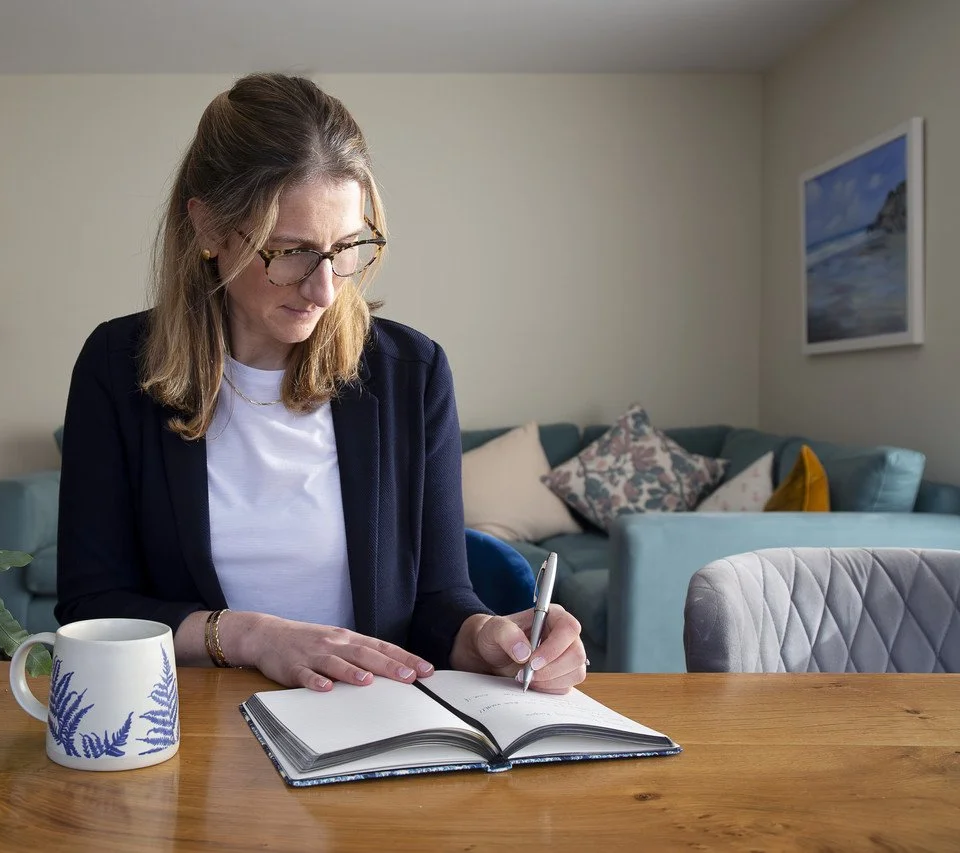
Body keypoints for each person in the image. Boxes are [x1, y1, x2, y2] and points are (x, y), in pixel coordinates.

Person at [55, 72, 587, 694]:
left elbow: (440, 598)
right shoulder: (119, 365)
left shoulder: (411, 374)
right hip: (186, 724)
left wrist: (486, 639)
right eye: (290, 252)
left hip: (367, 722)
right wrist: (251, 636)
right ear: (207, 229)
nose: (325, 289)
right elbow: (92, 606)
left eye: (346, 248)